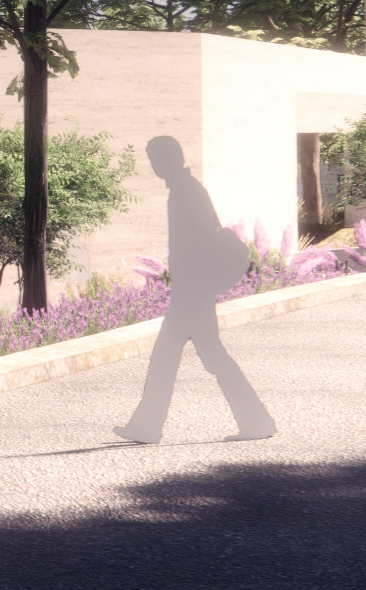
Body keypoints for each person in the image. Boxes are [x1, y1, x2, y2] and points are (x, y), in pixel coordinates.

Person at [115, 136, 276, 444]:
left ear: (170, 160)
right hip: (192, 288)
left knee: (186, 356)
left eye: (157, 161)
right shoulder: (186, 189)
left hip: (192, 291)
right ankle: (255, 420)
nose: (155, 167)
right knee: (193, 356)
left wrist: (184, 280)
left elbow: (196, 242)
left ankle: (254, 420)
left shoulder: (186, 192)